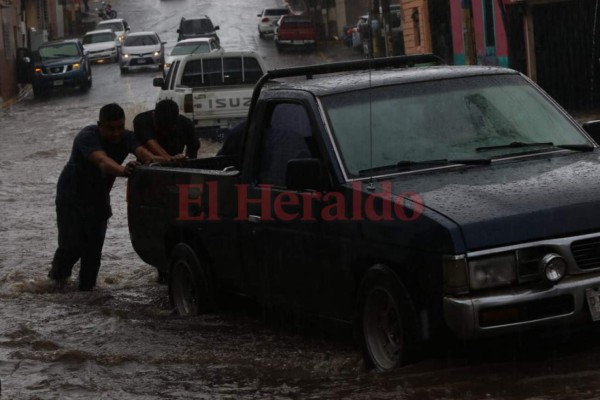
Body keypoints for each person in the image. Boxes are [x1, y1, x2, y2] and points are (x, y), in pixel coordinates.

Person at [48, 103, 158, 291]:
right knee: (71, 247)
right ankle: (55, 283)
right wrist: (124, 171)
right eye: (111, 129)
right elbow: (101, 160)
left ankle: (86, 294)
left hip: (98, 200)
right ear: (100, 125)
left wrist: (167, 160)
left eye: (120, 127)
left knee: (93, 253)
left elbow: (144, 154)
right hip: (71, 199)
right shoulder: (88, 136)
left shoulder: (126, 137)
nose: (116, 133)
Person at [133, 99, 200, 160]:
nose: (164, 133)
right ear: (153, 116)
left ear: (176, 123)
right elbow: (150, 144)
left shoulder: (186, 125)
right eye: (160, 128)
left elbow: (193, 149)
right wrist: (170, 159)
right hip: (148, 166)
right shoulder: (141, 121)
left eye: (168, 130)